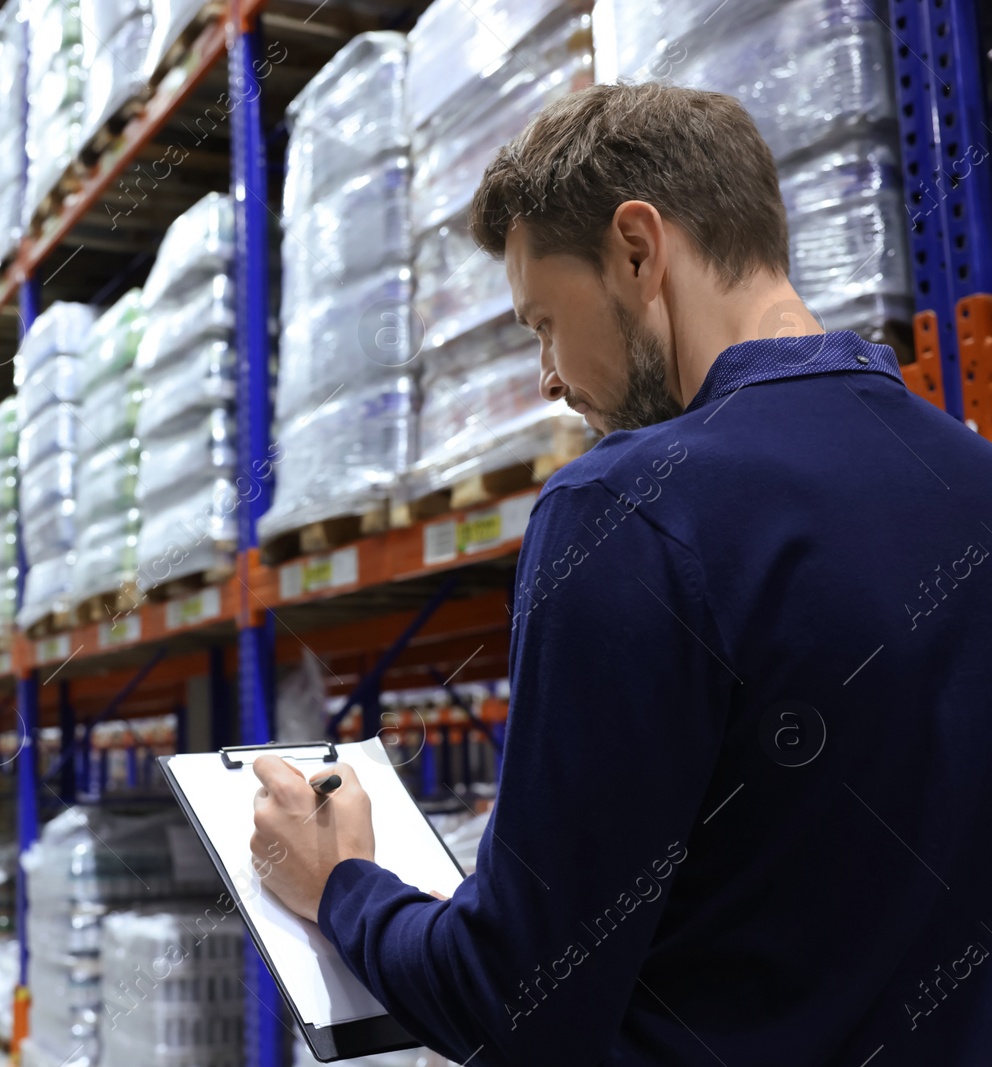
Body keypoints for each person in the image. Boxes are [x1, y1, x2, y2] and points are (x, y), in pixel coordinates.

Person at [250, 82, 992, 1065]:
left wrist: (339, 883)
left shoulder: (628, 509)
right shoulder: (969, 474)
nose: (549, 379)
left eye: (542, 325)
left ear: (638, 250)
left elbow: (513, 1000)